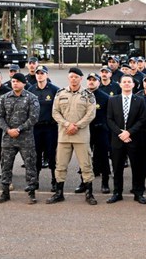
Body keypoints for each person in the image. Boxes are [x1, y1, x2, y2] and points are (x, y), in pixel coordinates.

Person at [47, 68, 98, 205]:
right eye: (71, 77)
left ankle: (89, 193)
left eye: (76, 77)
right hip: (64, 136)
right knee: (60, 165)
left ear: (81, 78)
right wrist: (67, 124)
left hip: (81, 136)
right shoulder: (60, 93)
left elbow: (91, 114)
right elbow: (55, 112)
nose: (73, 79)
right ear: (68, 78)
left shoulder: (88, 95)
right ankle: (59, 193)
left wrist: (77, 126)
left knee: (86, 165)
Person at [0, 73, 40, 204]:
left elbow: (33, 118)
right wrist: (8, 130)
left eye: (18, 81)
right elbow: (0, 117)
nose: (15, 83)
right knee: (6, 166)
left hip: (25, 138)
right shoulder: (4, 98)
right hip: (8, 138)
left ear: (24, 83)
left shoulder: (31, 98)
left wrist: (19, 129)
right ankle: (5, 192)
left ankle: (31, 192)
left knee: (30, 165)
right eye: (13, 81)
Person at [105, 75, 146, 205]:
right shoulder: (113, 100)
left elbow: (142, 119)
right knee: (117, 167)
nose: (127, 84)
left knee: (137, 167)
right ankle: (117, 193)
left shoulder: (140, 100)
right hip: (118, 139)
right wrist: (120, 133)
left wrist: (129, 132)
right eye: (124, 82)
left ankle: (138, 193)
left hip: (134, 139)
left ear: (133, 85)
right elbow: (109, 119)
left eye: (129, 82)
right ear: (120, 84)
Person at [27, 66, 59, 192]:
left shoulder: (54, 90)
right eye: (38, 73)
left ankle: (54, 181)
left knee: (52, 154)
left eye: (42, 73)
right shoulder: (30, 90)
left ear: (47, 75)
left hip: (50, 127)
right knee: (35, 155)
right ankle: (35, 181)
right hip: (35, 128)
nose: (40, 75)